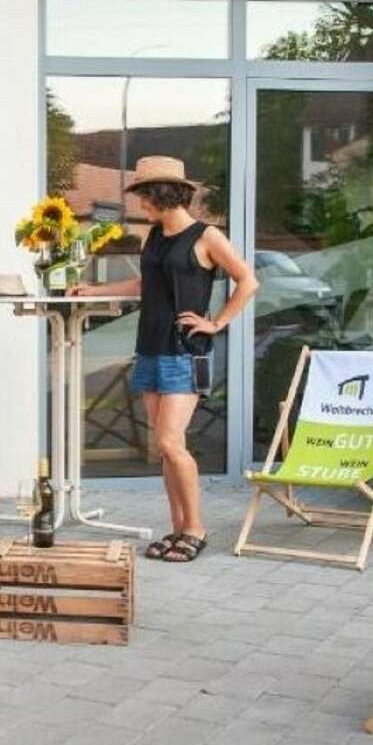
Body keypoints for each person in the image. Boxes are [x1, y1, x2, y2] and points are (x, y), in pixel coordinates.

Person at [72, 155, 258, 562]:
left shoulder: (206, 236)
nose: (140, 204)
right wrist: (92, 291)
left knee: (172, 442)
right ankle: (176, 529)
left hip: (184, 350)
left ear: (159, 194)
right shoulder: (153, 237)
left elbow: (248, 280)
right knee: (164, 445)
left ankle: (196, 528)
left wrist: (217, 323)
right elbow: (145, 284)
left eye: (142, 196)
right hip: (151, 346)